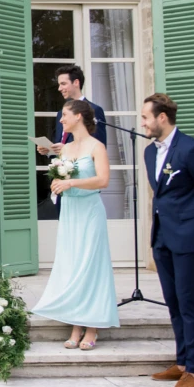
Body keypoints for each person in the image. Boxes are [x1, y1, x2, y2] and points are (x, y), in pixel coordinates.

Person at [140, 93, 194, 387]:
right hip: (161, 236)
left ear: (162, 117)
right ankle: (181, 361)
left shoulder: (192, 150)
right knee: (173, 301)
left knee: (189, 302)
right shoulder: (150, 153)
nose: (143, 123)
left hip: (189, 237)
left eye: (146, 117)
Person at [31, 100, 119, 349]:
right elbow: (61, 176)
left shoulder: (96, 146)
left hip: (89, 211)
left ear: (79, 117)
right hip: (70, 212)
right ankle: (76, 323)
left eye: (65, 115)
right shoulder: (66, 148)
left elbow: (103, 180)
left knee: (91, 264)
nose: (61, 120)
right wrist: (57, 183)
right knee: (72, 264)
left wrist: (71, 184)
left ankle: (92, 327)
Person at [38, 65, 107, 156]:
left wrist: (67, 149)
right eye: (59, 85)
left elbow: (99, 147)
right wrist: (49, 150)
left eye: (63, 84)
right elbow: (59, 143)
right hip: (62, 168)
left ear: (76, 82)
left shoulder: (94, 110)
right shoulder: (60, 114)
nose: (59, 89)